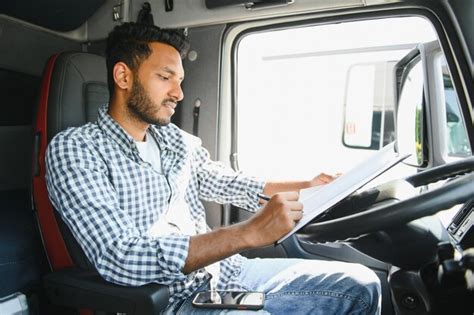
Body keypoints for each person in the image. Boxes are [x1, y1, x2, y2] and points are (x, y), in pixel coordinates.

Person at [46, 22, 381, 314]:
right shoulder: (76, 149)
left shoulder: (173, 139)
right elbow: (120, 256)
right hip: (168, 301)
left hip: (226, 274)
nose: (178, 93)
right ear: (123, 76)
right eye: (165, 78)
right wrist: (247, 233)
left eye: (179, 80)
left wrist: (310, 185)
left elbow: (230, 183)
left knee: (362, 285)